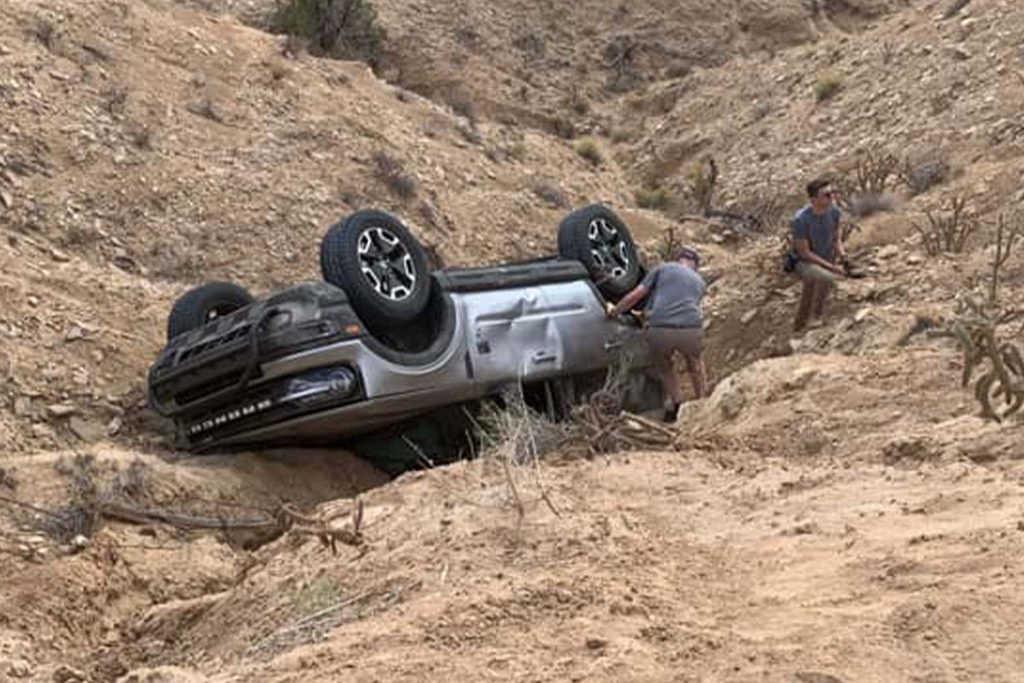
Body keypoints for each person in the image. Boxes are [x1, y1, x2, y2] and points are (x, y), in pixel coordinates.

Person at [606, 247, 707, 422]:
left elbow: (636, 296)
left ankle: (676, 406)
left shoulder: (663, 268)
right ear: (695, 267)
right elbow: (685, 304)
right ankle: (704, 405)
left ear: (677, 260)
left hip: (661, 328)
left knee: (665, 367)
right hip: (690, 328)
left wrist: (615, 311)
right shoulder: (699, 282)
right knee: (696, 365)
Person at [788, 178, 847, 332]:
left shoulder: (834, 212)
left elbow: (836, 238)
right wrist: (832, 268)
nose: (831, 197)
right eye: (826, 195)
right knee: (823, 277)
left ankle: (799, 326)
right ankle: (816, 317)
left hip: (826, 257)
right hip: (804, 262)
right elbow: (804, 252)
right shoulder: (801, 220)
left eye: (832, 193)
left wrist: (844, 257)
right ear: (814, 199)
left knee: (809, 291)